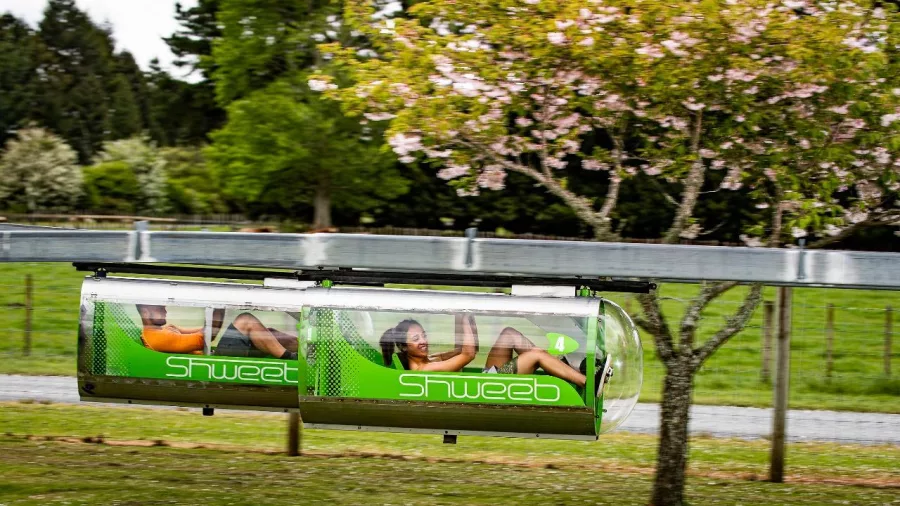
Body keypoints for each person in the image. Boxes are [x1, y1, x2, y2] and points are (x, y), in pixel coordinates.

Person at [379, 314, 592, 389]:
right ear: (405, 347)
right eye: (416, 339)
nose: (424, 341)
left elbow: (466, 347)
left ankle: (566, 367)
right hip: (494, 384)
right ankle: (585, 381)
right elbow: (468, 354)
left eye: (424, 335)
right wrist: (462, 315)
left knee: (508, 333)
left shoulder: (428, 359)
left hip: (488, 378)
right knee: (536, 356)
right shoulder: (427, 370)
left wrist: (462, 316)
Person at [136, 305, 297, 360]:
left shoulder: (166, 329)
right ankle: (290, 358)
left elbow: (203, 329)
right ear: (145, 312)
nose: (165, 309)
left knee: (267, 334)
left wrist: (217, 309)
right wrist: (220, 305)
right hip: (214, 362)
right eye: (158, 307)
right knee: (245, 320)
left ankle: (309, 350)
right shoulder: (158, 338)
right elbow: (206, 337)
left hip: (214, 354)